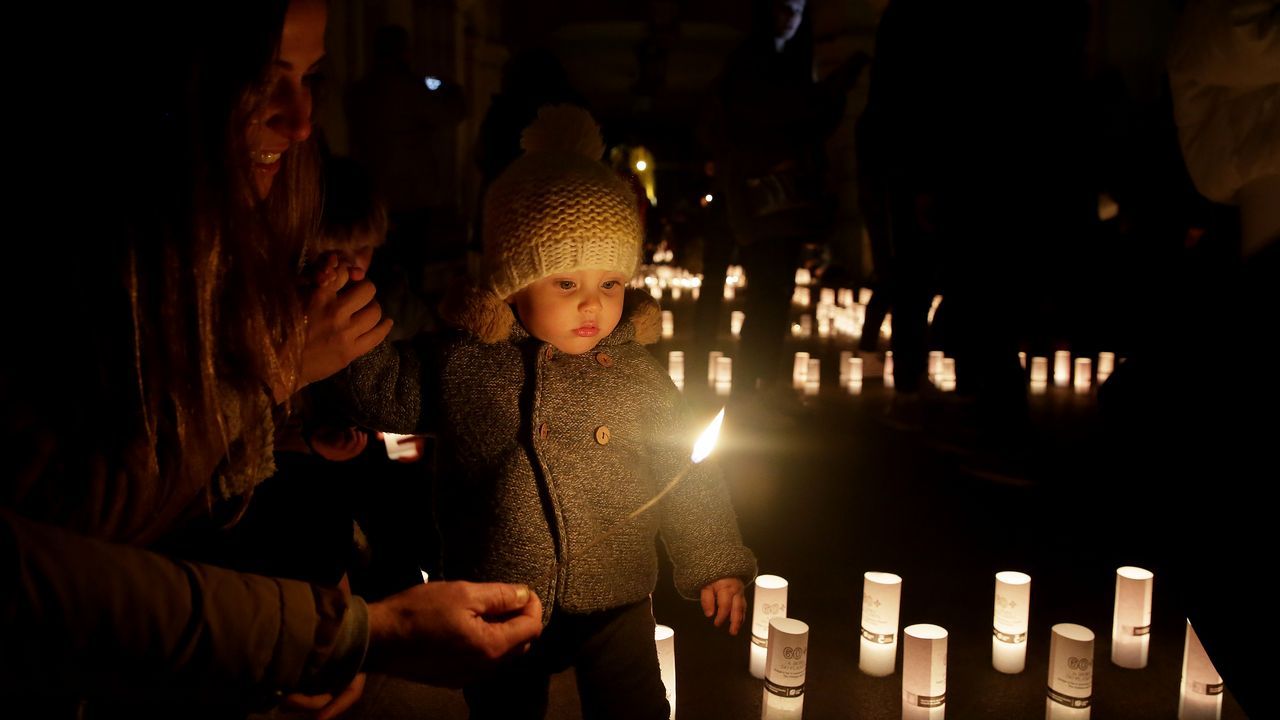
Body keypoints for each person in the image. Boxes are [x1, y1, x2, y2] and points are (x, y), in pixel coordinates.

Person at [2, 1, 540, 715]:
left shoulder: (243, 244)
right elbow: (57, 546)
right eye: (263, 78)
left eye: (310, 75)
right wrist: (280, 371)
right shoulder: (82, 275)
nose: (301, 118)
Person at [341, 105, 758, 719]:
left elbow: (686, 470)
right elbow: (386, 391)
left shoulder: (635, 376)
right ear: (511, 281)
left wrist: (713, 561)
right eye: (566, 283)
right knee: (506, 709)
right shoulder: (467, 361)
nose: (592, 303)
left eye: (611, 284)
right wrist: (344, 320)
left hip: (615, 595)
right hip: (500, 592)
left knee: (635, 705)